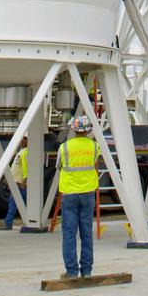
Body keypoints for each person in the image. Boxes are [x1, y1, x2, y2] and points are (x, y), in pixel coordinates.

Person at [58, 115, 99, 279]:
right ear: (88, 130)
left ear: (73, 129)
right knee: (86, 233)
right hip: (88, 193)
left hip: (69, 193)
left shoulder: (65, 147)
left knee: (69, 233)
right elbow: (94, 163)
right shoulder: (94, 147)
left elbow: (59, 166)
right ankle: (87, 271)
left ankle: (71, 271)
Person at [0, 135, 29, 230]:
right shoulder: (21, 152)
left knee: (14, 203)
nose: (22, 140)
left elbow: (26, 167)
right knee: (16, 203)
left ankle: (8, 223)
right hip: (17, 183)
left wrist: (25, 180)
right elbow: (17, 167)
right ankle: (9, 222)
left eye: (25, 138)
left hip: (20, 184)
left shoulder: (26, 152)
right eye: (22, 138)